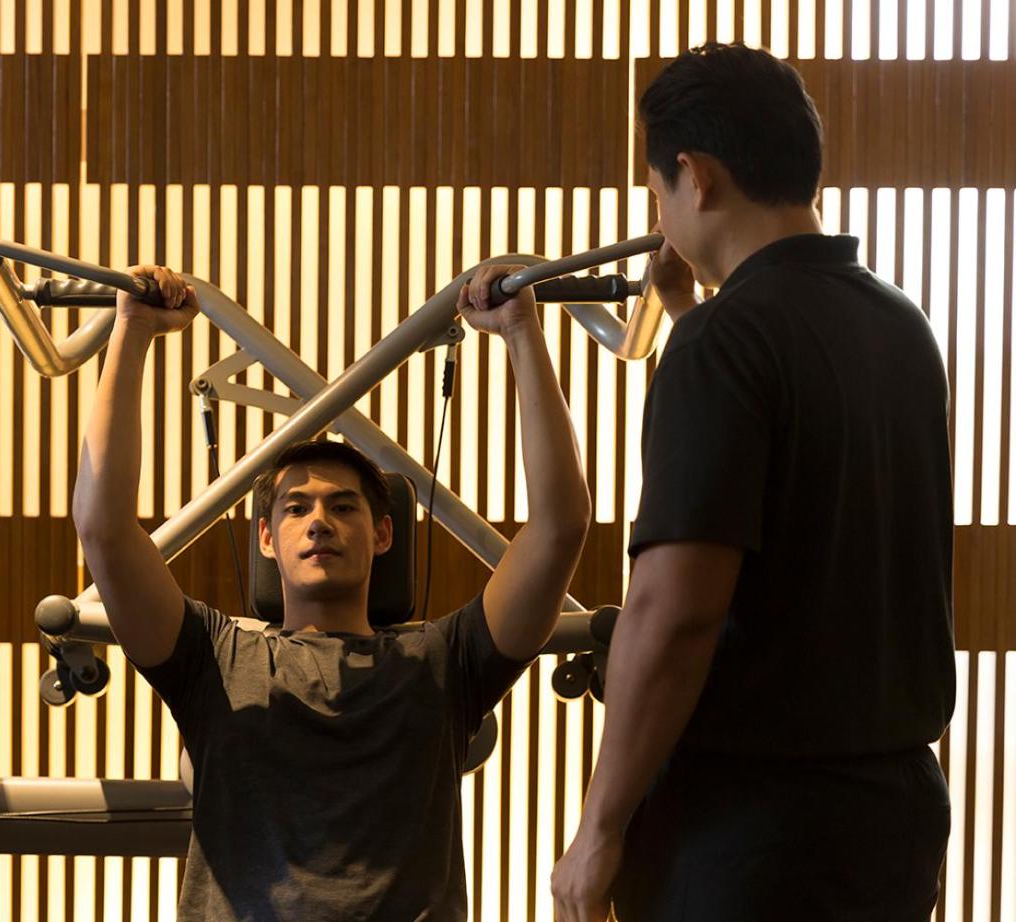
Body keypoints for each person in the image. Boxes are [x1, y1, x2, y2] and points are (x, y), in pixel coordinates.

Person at [551, 42, 954, 922]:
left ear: (695, 176)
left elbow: (676, 611)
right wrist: (690, 312)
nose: (660, 215)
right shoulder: (901, 326)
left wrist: (599, 828)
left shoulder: (724, 344)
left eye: (658, 190)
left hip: (753, 830)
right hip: (894, 812)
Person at [73, 262, 591, 919]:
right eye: (297, 509)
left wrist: (521, 330)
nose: (319, 521)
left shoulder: (444, 663)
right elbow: (103, 529)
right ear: (266, 538)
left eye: (343, 507)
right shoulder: (214, 660)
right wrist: (132, 329)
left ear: (382, 533)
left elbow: (560, 526)